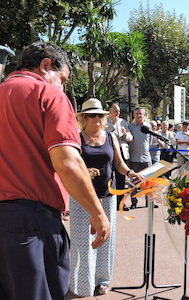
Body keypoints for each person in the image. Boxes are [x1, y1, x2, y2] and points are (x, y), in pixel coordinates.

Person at [0, 41, 110, 300]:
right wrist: (98, 213)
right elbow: (67, 162)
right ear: (45, 65)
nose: (62, 86)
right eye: (62, 79)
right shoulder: (48, 95)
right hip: (32, 223)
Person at [69, 99, 143, 297]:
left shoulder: (110, 136)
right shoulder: (76, 138)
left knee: (105, 239)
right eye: (91, 115)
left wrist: (129, 174)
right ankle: (82, 284)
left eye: (99, 115)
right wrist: (83, 170)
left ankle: (102, 280)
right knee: (82, 242)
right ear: (84, 118)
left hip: (107, 196)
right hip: (81, 198)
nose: (96, 118)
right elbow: (68, 165)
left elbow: (118, 163)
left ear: (104, 117)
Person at [105, 103, 132, 211]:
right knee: (109, 178)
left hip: (122, 150)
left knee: (121, 179)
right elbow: (105, 133)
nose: (118, 113)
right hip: (110, 151)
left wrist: (125, 134)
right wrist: (113, 124)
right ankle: (109, 203)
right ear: (109, 112)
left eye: (119, 111)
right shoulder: (105, 121)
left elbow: (130, 137)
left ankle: (121, 203)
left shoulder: (123, 122)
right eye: (115, 111)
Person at [128, 107, 152, 208]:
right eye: (137, 113)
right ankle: (134, 202)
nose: (139, 115)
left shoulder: (148, 127)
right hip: (134, 158)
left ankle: (149, 202)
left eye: (140, 114)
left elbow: (149, 141)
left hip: (146, 158)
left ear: (144, 115)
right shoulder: (130, 127)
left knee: (148, 182)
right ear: (134, 115)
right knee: (134, 183)